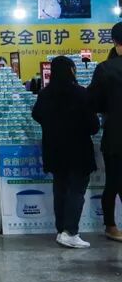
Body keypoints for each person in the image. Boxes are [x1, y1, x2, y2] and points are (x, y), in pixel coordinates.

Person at [32, 56, 99, 249]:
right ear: (71, 70)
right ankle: (71, 232)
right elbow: (93, 126)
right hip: (78, 150)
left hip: (54, 150)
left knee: (60, 189)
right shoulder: (81, 93)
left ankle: (61, 230)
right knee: (76, 191)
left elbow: (36, 114)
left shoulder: (45, 94)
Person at [88, 22, 122, 242]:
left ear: (115, 42)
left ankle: (111, 226)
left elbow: (93, 102)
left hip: (116, 135)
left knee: (113, 182)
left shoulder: (105, 69)